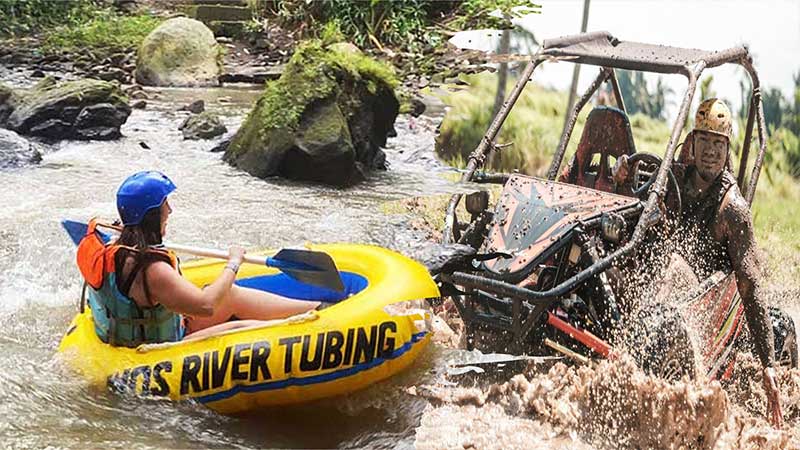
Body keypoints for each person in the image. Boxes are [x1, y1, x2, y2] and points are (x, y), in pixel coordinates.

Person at [612, 98, 783, 428]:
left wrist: (768, 366)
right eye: (704, 141)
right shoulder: (672, 175)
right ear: (691, 143)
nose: (710, 151)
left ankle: (630, 338)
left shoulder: (732, 209)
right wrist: (622, 178)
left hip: (699, 300)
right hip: (657, 285)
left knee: (672, 264)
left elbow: (750, 284)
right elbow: (636, 211)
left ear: (727, 149)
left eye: (718, 144)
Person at [76, 170, 319, 346]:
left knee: (231, 293)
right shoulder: (153, 269)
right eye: (165, 205)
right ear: (151, 215)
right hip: (159, 347)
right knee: (240, 328)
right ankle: (314, 329)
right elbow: (206, 306)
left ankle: (318, 309)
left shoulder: (116, 246)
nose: (169, 210)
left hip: (139, 329)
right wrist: (233, 263)